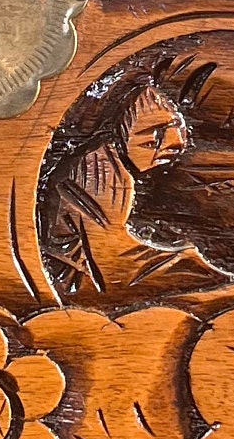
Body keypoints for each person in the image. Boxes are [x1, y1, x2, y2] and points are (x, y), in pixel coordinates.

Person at [44, 77, 221, 300]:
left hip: (92, 267)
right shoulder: (99, 171)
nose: (172, 144)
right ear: (119, 131)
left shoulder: (109, 161)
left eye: (174, 128)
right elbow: (112, 259)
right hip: (79, 279)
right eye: (154, 136)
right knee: (191, 268)